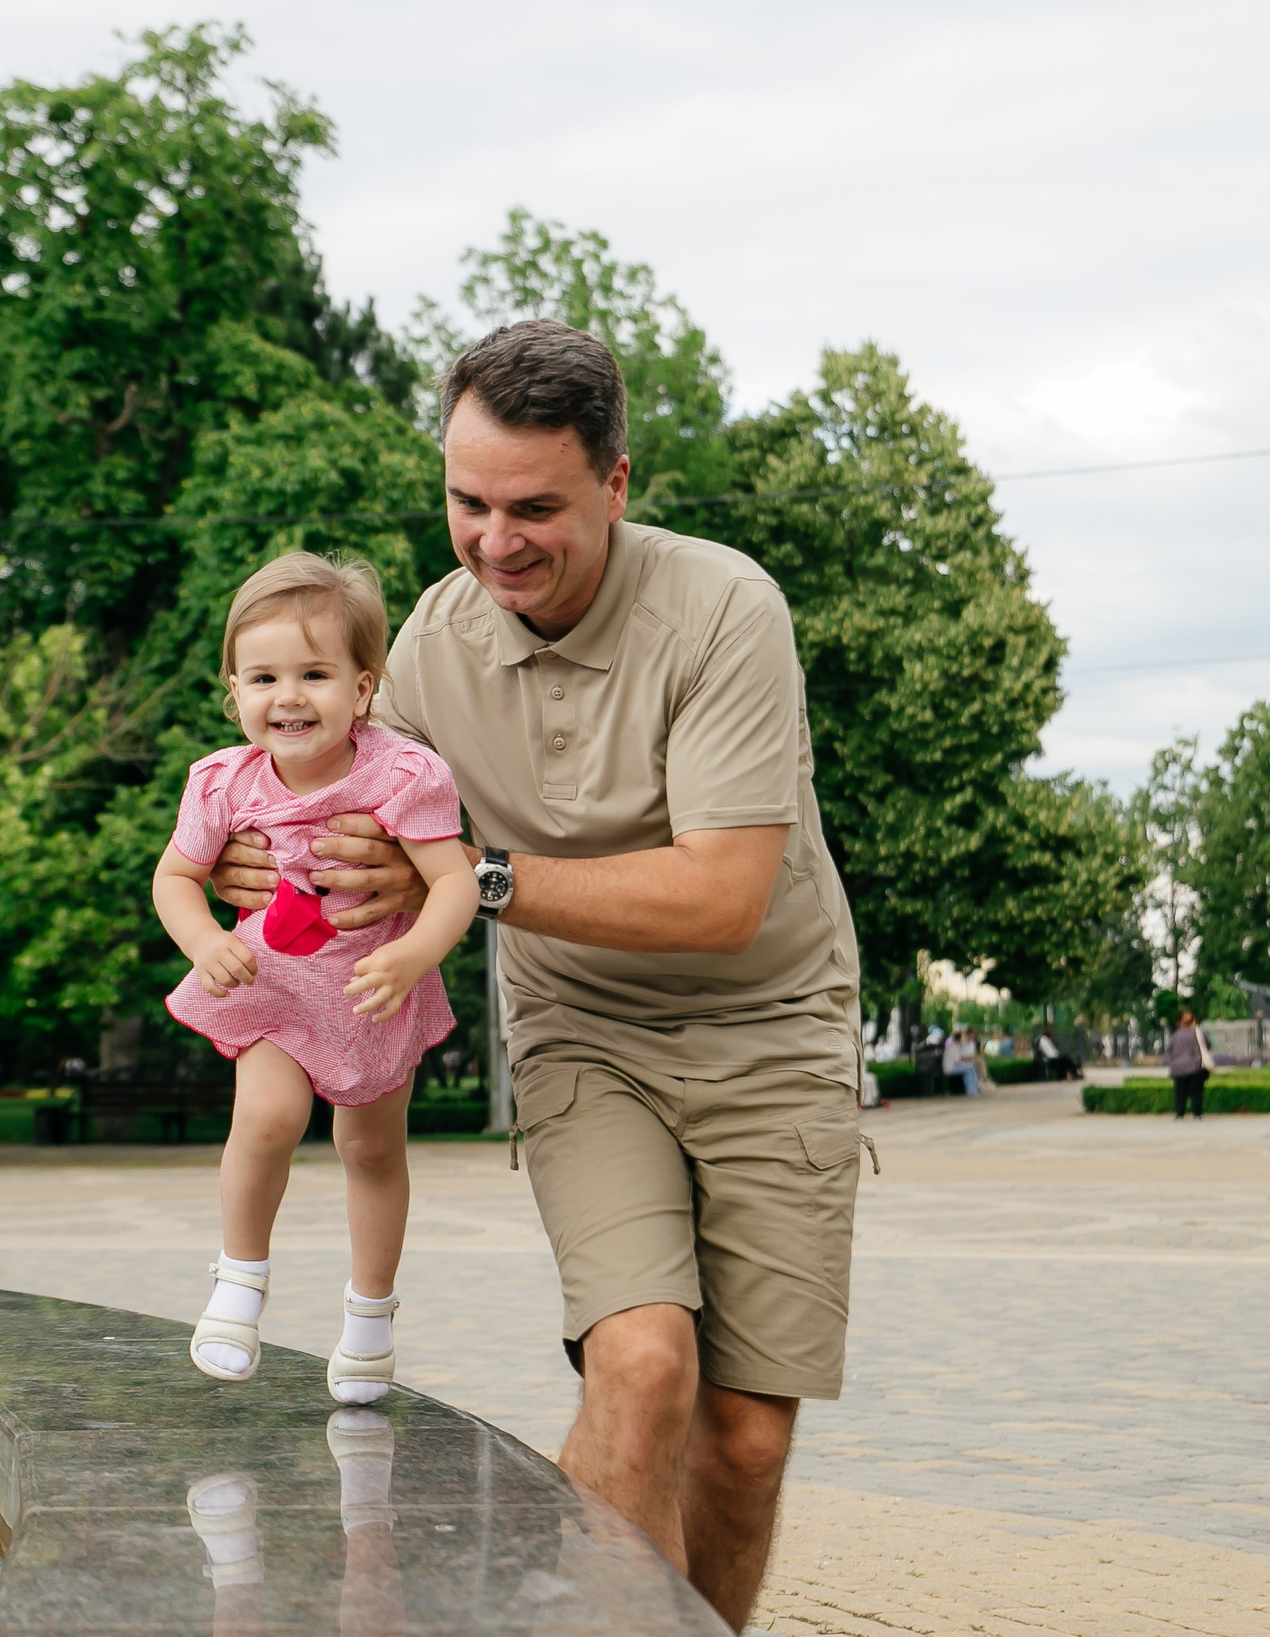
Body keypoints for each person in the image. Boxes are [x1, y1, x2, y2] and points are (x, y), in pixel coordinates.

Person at [208, 320, 862, 1632]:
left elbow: (724, 895)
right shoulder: (431, 653)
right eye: (467, 500)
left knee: (742, 1440)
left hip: (774, 1027)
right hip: (583, 1033)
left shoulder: (727, 610)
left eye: (535, 507)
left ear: (618, 485)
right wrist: (248, 867)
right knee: (640, 1360)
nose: (495, 539)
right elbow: (330, 808)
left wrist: (480, 879)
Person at [152, 552, 482, 1406]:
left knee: (369, 1148)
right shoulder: (224, 782)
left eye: (315, 673)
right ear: (234, 690)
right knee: (266, 1116)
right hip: (275, 986)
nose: (288, 695)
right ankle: (238, 1285)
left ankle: (370, 1319)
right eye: (263, 676)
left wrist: (414, 956)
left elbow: (450, 882)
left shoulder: (401, 774)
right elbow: (175, 878)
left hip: (372, 986)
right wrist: (200, 942)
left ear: (363, 689)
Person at [1166, 1010, 1212, 1118]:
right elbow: (1208, 1046)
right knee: (1197, 1092)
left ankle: (1179, 1114)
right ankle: (1197, 1113)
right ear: (1193, 1021)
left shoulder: (1176, 1035)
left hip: (1178, 1068)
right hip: (1195, 1067)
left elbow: (1170, 1050)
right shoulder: (1198, 1033)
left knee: (1180, 1092)